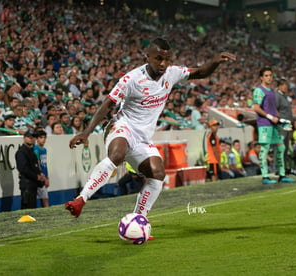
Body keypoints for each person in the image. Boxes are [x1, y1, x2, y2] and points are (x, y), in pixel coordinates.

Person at [65, 38, 236, 221]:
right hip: (123, 126)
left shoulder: (172, 73)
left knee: (158, 173)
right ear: (148, 57)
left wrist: (215, 61)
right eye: (158, 58)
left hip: (143, 138)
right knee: (117, 155)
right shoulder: (131, 79)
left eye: (167, 59)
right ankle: (81, 199)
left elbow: (201, 72)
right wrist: (86, 132)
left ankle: (138, 219)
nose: (163, 63)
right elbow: (108, 104)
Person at [252, 66, 295, 184]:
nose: (269, 78)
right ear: (261, 77)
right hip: (264, 124)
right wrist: (270, 117)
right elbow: (256, 108)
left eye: (270, 75)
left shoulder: (271, 91)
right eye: (266, 75)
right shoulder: (259, 90)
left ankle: (282, 175)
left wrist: (277, 117)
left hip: (274, 124)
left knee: (281, 147)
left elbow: (273, 107)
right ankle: (265, 176)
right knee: (264, 149)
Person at [15, 129, 46, 209]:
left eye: (33, 137)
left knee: (32, 207)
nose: (31, 139)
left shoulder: (32, 151)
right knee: (28, 208)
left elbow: (35, 166)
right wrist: (37, 176)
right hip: (27, 184)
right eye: (29, 137)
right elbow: (23, 169)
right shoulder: (21, 152)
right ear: (24, 138)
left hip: (33, 184)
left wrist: (40, 174)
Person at [275, 78, 294, 173]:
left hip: (287, 123)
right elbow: (275, 110)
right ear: (278, 86)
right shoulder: (277, 96)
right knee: (280, 146)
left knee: (286, 146)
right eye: (282, 85)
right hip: (282, 123)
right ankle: (278, 168)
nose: (285, 87)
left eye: (286, 85)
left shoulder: (285, 97)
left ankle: (283, 167)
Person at [34, 130, 50, 207]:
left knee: (45, 197)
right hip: (40, 177)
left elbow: (45, 165)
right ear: (37, 139)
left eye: (44, 137)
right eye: (41, 138)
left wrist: (47, 177)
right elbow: (38, 163)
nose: (43, 139)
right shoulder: (36, 149)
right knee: (44, 198)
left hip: (44, 176)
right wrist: (42, 175)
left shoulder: (44, 150)